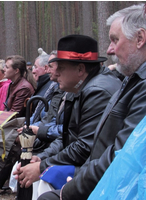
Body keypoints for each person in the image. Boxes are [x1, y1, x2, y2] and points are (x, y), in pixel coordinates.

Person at [37, 4, 146, 200]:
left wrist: (65, 189)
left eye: (115, 40)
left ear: (140, 39)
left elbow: (118, 155)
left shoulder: (100, 90)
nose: (109, 49)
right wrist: (44, 161)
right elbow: (70, 137)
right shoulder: (129, 80)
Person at [14, 35, 122, 197]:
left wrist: (43, 166)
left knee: (45, 185)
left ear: (80, 69)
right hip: (87, 163)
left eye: (61, 67)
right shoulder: (79, 88)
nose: (55, 73)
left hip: (102, 170)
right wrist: (42, 158)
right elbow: (67, 137)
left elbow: (85, 146)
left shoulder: (97, 92)